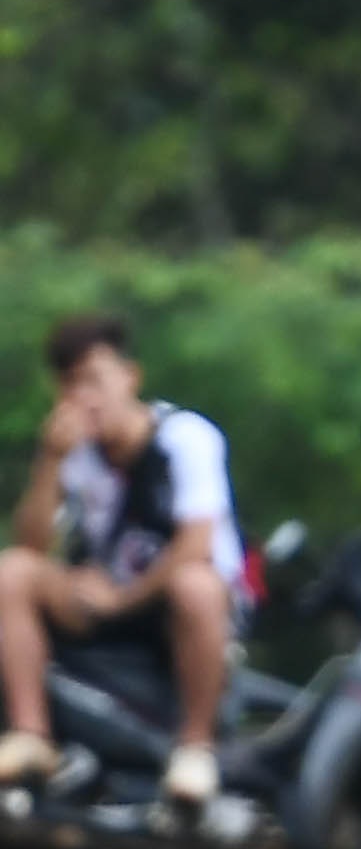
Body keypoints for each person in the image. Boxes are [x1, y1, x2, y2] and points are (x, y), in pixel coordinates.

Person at [0, 314, 253, 806]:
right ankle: (32, 734)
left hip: (177, 606)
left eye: (94, 380)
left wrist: (119, 600)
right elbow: (33, 545)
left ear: (129, 377)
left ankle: (195, 749)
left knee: (196, 585)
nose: (85, 397)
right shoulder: (76, 455)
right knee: (11, 572)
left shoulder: (186, 438)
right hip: (107, 599)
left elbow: (196, 545)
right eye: (71, 384)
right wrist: (49, 461)